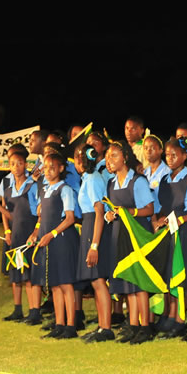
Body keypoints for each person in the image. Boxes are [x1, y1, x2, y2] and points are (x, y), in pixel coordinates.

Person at [152, 137, 187, 342]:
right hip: (170, 233)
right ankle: (178, 321)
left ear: (185, 155)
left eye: (175, 155)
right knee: (174, 278)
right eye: (167, 155)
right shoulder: (165, 181)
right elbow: (161, 209)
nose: (170, 158)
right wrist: (158, 221)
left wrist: (183, 219)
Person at [104, 141, 155, 343]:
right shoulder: (111, 182)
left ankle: (145, 327)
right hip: (119, 234)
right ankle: (133, 324)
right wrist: (110, 215)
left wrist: (129, 212)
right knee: (127, 280)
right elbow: (113, 209)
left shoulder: (138, 181)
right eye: (108, 156)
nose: (110, 160)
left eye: (114, 155)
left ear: (125, 157)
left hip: (136, 234)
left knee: (139, 281)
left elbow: (149, 209)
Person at [28, 151, 80, 339]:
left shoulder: (64, 189)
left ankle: (71, 325)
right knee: (55, 285)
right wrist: (36, 233)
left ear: (61, 168)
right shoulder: (44, 189)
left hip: (62, 241)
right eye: (46, 167)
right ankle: (59, 323)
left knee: (66, 284)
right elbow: (42, 217)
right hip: (47, 241)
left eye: (52, 167)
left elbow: (70, 218)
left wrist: (52, 234)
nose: (48, 171)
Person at [0, 145, 38, 323]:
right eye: (13, 163)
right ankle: (19, 310)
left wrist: (36, 231)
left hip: (29, 235)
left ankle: (34, 311)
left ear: (25, 165)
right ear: (9, 166)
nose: (16, 166)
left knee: (30, 276)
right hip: (15, 236)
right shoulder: (8, 188)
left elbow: (39, 212)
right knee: (18, 273)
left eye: (20, 163)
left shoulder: (32, 185)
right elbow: (10, 214)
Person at [72, 143, 115, 343]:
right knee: (95, 281)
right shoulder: (88, 178)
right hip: (89, 228)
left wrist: (94, 245)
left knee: (99, 280)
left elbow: (99, 211)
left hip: (94, 229)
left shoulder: (93, 179)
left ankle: (107, 328)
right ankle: (101, 326)